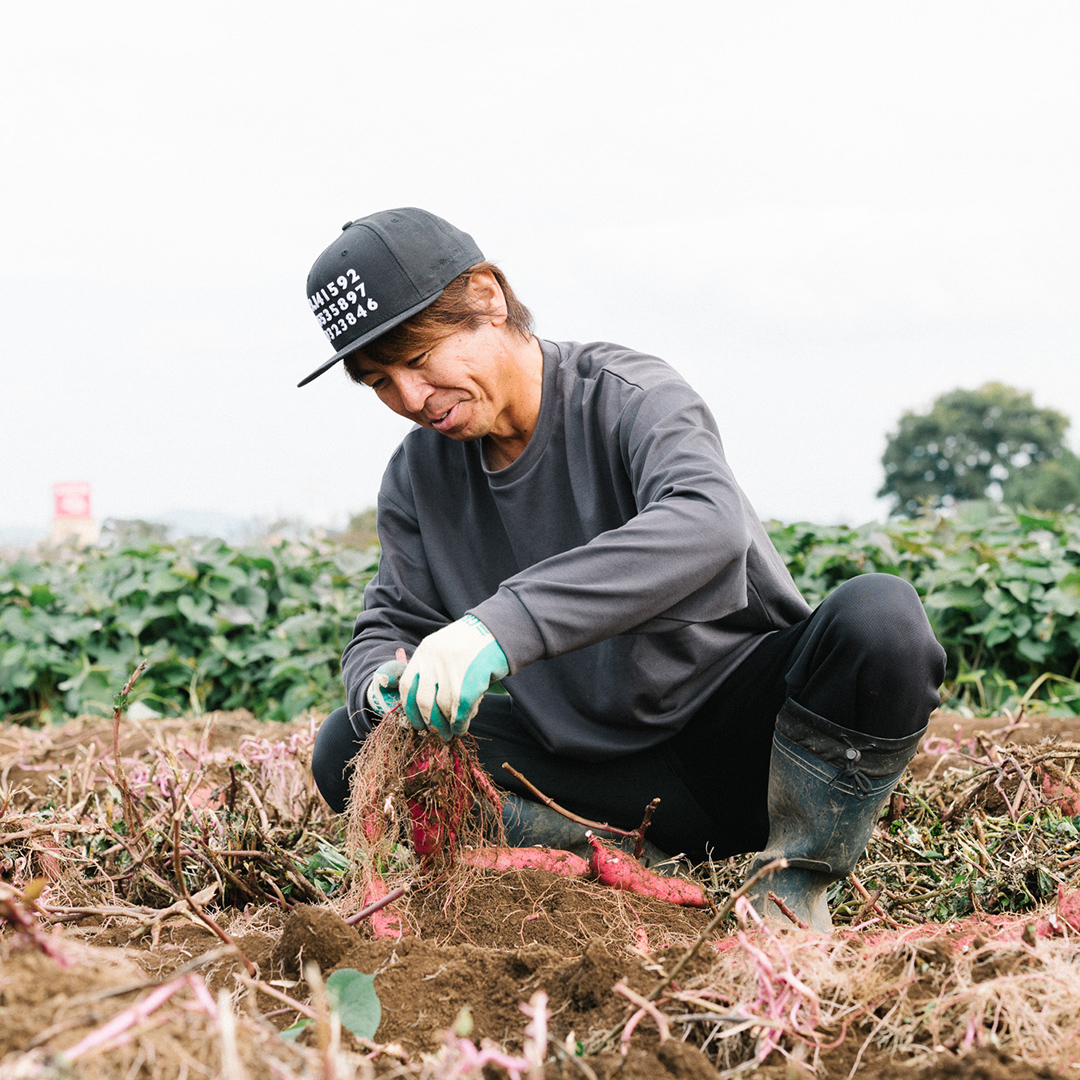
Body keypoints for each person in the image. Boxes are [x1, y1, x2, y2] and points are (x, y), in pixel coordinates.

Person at [301, 207, 947, 931]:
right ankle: (613, 859)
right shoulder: (419, 474)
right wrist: (383, 680)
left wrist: (497, 627)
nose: (410, 400)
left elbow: (706, 522)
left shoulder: (628, 395)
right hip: (589, 777)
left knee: (882, 620)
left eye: (418, 359)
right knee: (349, 743)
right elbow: (391, 620)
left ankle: (792, 878)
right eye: (379, 381)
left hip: (744, 754)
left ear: (487, 296)